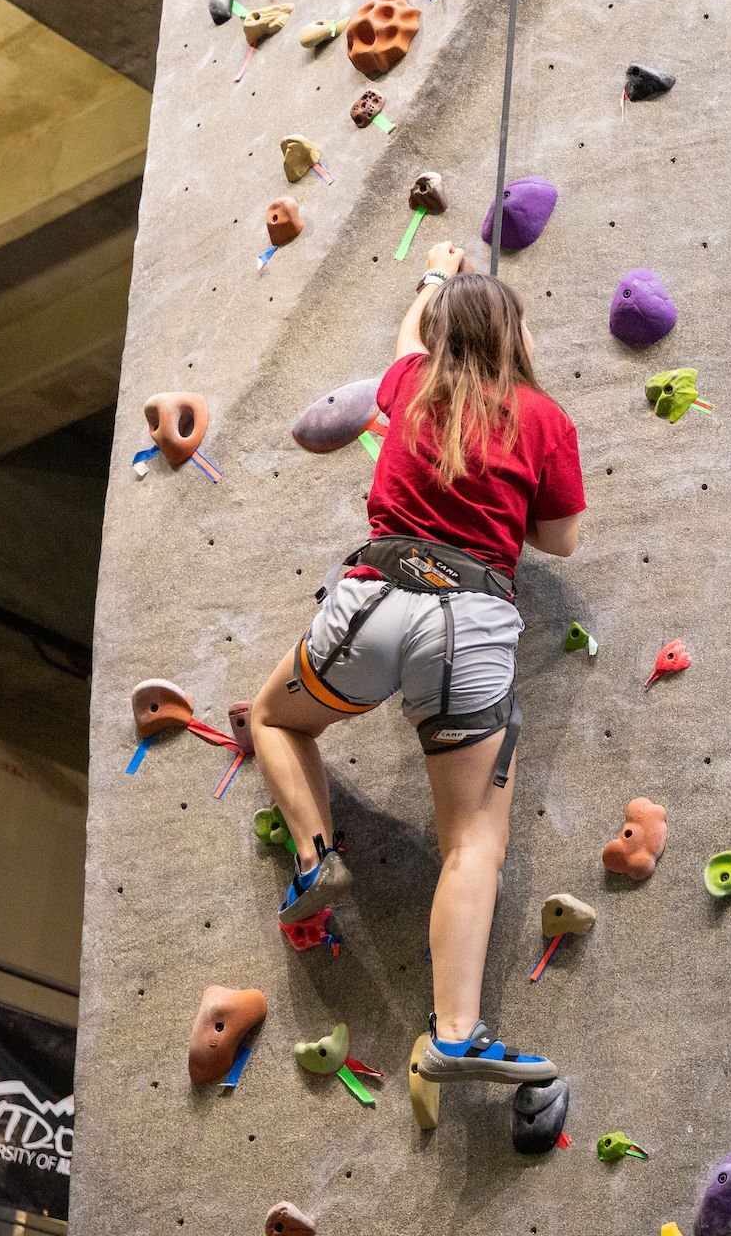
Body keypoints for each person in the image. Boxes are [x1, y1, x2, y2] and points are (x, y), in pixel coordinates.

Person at [245, 243, 583, 1083]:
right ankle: (455, 1036)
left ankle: (318, 855)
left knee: (274, 717)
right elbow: (560, 540)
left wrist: (433, 274)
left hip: (376, 600)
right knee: (472, 841)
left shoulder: (411, 386)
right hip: (472, 624)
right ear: (518, 337)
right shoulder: (544, 419)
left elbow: (406, 343)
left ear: (438, 340)